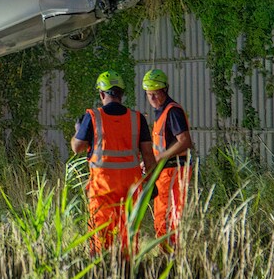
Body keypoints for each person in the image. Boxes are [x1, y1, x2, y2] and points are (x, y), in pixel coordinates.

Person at [71, 71, 155, 254]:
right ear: (121, 94)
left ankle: (101, 274)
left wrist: (78, 130)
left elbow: (77, 147)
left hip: (102, 190)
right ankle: (128, 275)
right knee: (129, 237)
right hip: (130, 189)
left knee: (100, 237)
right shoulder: (137, 118)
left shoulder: (93, 117)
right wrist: (152, 182)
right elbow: (148, 155)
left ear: (102, 94)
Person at [142, 69, 194, 249]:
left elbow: (185, 141)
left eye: (156, 93)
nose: (153, 98)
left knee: (168, 215)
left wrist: (157, 158)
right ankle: (167, 253)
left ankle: (171, 254)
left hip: (174, 169)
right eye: (149, 94)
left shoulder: (172, 111)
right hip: (165, 170)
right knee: (163, 213)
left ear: (165, 90)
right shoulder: (161, 112)